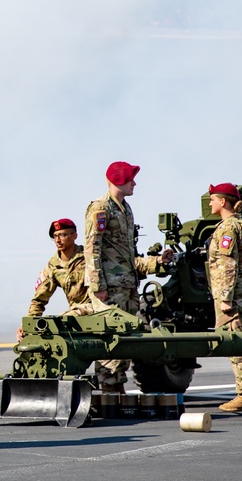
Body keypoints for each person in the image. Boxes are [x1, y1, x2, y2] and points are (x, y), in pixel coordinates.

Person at [84, 161, 172, 393]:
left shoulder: (125, 208)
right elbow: (92, 248)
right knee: (110, 336)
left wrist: (156, 262)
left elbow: (127, 255)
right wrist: (97, 285)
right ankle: (110, 388)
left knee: (125, 338)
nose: (135, 183)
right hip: (110, 288)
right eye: (131, 178)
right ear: (119, 179)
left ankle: (118, 388)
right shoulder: (100, 208)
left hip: (127, 285)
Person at [206, 182, 242, 412]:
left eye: (212, 199)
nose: (209, 203)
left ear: (222, 201)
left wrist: (226, 298)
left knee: (236, 341)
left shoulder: (228, 229)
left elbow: (228, 265)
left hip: (234, 293)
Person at [17, 219, 89, 342]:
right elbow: (39, 299)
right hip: (76, 313)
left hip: (98, 308)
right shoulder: (53, 266)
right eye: (55, 236)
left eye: (63, 235)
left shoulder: (89, 256)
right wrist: (26, 325)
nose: (58, 240)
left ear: (74, 236)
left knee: (59, 323)